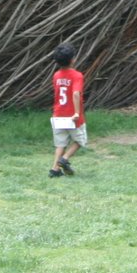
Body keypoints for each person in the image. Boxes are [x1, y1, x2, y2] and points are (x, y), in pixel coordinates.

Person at [48, 42, 86, 177]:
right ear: (72, 60)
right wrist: (76, 112)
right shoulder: (77, 75)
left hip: (58, 114)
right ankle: (64, 159)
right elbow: (76, 94)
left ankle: (55, 170)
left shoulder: (56, 75)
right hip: (72, 116)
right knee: (80, 141)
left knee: (61, 144)